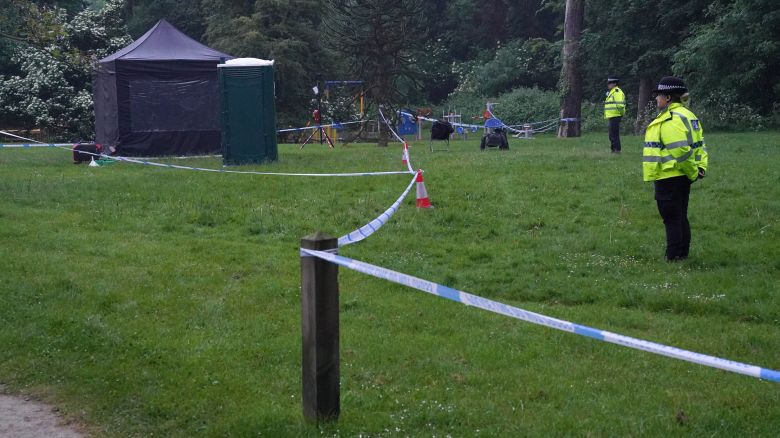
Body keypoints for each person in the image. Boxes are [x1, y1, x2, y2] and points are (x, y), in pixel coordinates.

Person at [643, 76, 708, 261]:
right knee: (680, 216)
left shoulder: (671, 119)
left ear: (669, 97)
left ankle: (672, 257)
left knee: (671, 218)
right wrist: (699, 168)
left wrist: (692, 171)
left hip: (669, 176)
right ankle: (682, 255)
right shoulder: (689, 115)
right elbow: (700, 146)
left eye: (659, 95)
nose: (656, 98)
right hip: (682, 176)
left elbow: (681, 151)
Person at [604, 77, 626, 153]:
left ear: (615, 84)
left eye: (610, 83)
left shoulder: (617, 92)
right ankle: (614, 149)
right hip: (612, 116)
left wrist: (620, 114)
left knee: (614, 134)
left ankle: (616, 150)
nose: (608, 84)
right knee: (611, 134)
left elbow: (620, 105)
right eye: (608, 83)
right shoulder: (612, 92)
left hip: (616, 116)